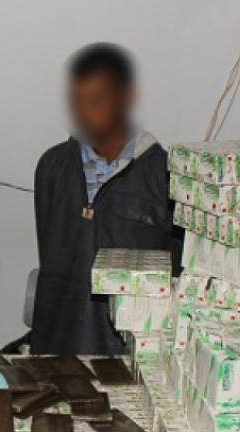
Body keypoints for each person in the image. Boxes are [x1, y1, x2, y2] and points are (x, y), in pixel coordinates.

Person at [31, 43, 180, 355]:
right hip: (58, 344)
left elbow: (174, 278)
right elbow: (52, 263)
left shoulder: (165, 177)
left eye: (96, 100)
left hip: (130, 349)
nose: (84, 113)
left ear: (127, 98)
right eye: (76, 101)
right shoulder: (52, 167)